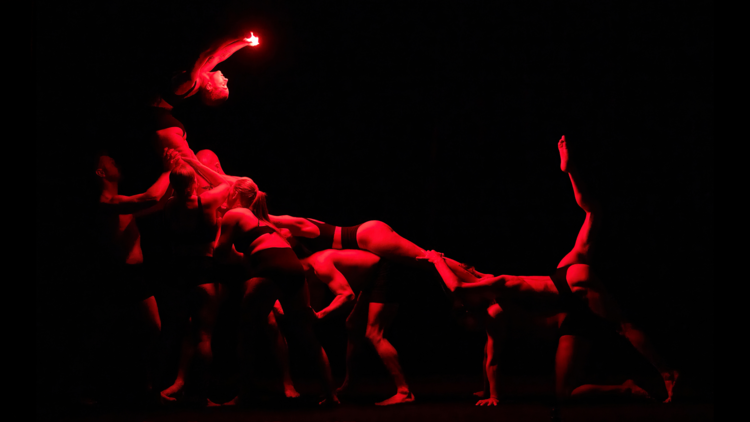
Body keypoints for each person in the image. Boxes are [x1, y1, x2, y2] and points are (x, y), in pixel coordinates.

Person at [424, 136, 678, 404]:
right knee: (564, 393)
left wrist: (433, 258)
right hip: (569, 296)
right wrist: (489, 393)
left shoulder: (498, 285)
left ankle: (668, 372)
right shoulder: (494, 302)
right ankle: (626, 388)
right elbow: (488, 351)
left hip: (568, 283)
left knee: (623, 327)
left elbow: (458, 287)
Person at [214, 177, 339, 405]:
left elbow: (220, 252)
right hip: (293, 267)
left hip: (269, 267)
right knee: (305, 333)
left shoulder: (235, 214)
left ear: (234, 194)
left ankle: (245, 394)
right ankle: (331, 395)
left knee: (246, 330)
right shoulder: (265, 221)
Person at [82, 149, 178, 401]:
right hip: (119, 276)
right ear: (101, 172)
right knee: (106, 333)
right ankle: (89, 389)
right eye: (109, 161)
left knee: (149, 330)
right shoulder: (106, 203)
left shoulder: (120, 202)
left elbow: (157, 202)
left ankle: (145, 386)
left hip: (135, 276)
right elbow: (149, 197)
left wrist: (178, 181)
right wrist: (168, 170)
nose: (116, 161)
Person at [157, 154, 230, 404]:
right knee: (204, 335)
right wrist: (196, 163)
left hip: (178, 271)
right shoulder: (205, 201)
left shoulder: (169, 205)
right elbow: (227, 184)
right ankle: (201, 393)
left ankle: (179, 383)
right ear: (194, 182)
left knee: (183, 327)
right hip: (203, 268)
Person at [300, 249, 415, 405]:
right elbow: (312, 305)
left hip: (384, 270)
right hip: (371, 278)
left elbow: (347, 295)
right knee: (353, 325)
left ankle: (404, 392)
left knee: (374, 334)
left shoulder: (320, 264)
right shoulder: (310, 272)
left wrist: (320, 315)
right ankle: (350, 385)